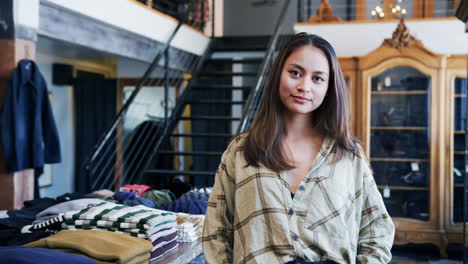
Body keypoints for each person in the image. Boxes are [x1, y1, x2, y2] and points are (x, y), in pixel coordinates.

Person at [202, 33, 395, 264]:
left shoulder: (347, 154)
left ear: (329, 87)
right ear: (278, 75)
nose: (304, 86)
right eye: (295, 73)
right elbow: (216, 229)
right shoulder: (241, 151)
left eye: (317, 78)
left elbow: (377, 230)